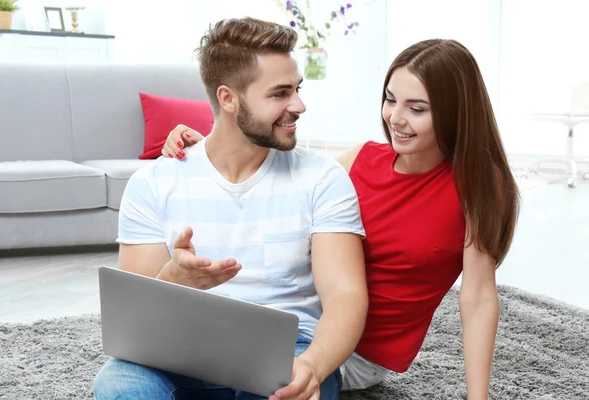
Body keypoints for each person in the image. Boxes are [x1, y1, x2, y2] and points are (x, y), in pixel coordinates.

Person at [162, 38, 520, 399]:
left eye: (417, 109)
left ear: (456, 112)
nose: (396, 118)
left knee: (257, 377)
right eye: (390, 99)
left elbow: (477, 296)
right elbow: (282, 181)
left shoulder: (478, 184)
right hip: (298, 318)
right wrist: (210, 149)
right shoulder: (362, 158)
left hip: (355, 352)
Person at [93, 17, 370, 400]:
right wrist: (172, 280)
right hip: (178, 352)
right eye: (281, 93)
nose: (299, 105)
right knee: (118, 384)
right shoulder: (154, 182)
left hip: (288, 354)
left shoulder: (323, 179)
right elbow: (137, 324)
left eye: (298, 89)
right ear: (228, 98)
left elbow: (346, 296)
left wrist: (314, 366)